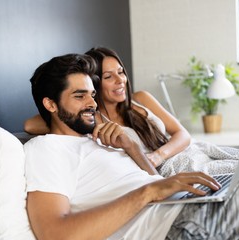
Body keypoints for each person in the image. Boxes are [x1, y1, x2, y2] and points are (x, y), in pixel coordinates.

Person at [25, 53, 239, 240]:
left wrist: (130, 148)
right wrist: (149, 192)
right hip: (182, 229)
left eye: (91, 94)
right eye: (80, 96)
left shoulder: (99, 140)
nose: (92, 103)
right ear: (50, 104)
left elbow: (153, 180)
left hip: (195, 201)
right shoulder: (46, 149)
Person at [24, 47, 191, 169]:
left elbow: (183, 134)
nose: (120, 80)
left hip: (179, 155)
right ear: (95, 82)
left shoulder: (141, 98)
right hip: (156, 170)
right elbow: (30, 125)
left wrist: (159, 155)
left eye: (121, 72)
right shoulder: (93, 119)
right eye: (108, 76)